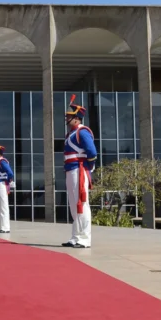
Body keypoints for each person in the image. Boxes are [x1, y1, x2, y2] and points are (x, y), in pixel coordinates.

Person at [62, 95, 97, 248]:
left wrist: (89, 167)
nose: (66, 119)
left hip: (79, 170)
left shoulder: (82, 132)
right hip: (71, 170)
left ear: (76, 118)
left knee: (81, 203)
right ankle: (76, 236)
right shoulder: (71, 133)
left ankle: (84, 238)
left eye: (69, 116)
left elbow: (92, 152)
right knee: (73, 204)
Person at [0, 139, 15, 233]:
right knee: (0, 206)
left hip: (2, 184)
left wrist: (8, 181)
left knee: (4, 206)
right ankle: (2, 226)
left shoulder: (2, 162)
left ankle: (6, 227)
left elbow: (10, 173)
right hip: (0, 185)